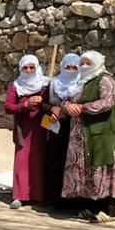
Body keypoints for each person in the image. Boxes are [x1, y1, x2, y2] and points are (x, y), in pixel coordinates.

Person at [55, 51, 115, 222]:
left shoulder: (105, 79)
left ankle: (106, 209)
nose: (84, 66)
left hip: (100, 134)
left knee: (101, 166)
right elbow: (66, 100)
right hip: (79, 135)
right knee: (83, 169)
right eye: (82, 63)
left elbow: (108, 102)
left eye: (88, 63)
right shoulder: (80, 81)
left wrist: (81, 108)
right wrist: (68, 106)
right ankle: (87, 207)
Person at [4, 55, 51, 210]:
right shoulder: (16, 86)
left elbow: (51, 103)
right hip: (23, 127)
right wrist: (25, 104)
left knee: (38, 159)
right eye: (25, 67)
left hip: (42, 127)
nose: (29, 70)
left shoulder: (45, 84)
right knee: (22, 160)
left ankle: (39, 195)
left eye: (32, 67)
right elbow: (9, 107)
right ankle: (19, 195)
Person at [46, 54, 82, 208]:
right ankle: (55, 200)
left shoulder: (82, 84)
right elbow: (43, 103)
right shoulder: (53, 83)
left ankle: (72, 201)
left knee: (73, 162)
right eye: (68, 67)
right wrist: (52, 110)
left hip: (76, 128)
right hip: (56, 127)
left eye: (75, 67)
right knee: (56, 160)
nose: (71, 70)